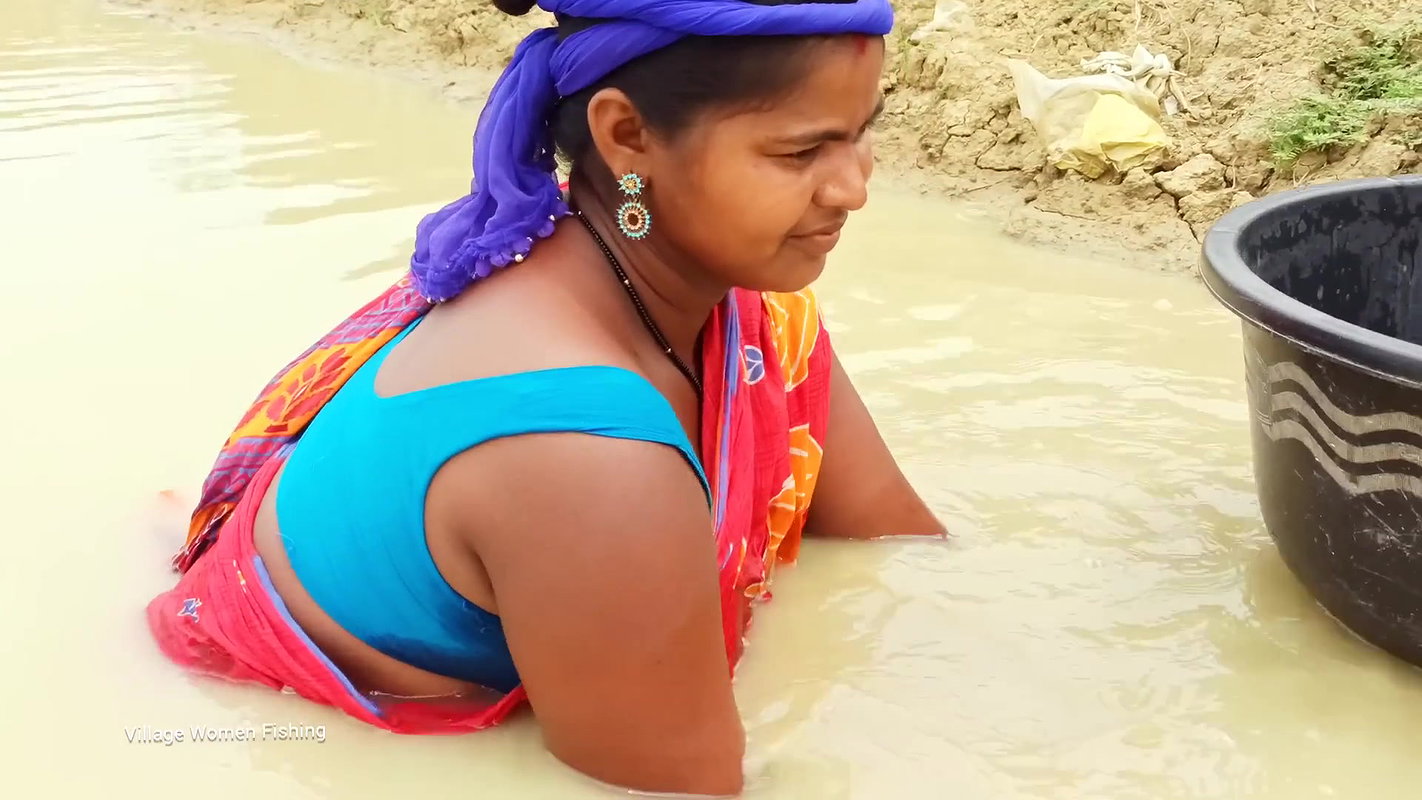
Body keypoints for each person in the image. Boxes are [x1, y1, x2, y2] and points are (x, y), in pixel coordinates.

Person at [146, 0, 946, 795]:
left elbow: (896, 554)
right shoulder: (586, 456)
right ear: (627, 137)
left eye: (861, 133)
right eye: (801, 151)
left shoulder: (748, 316)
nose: (853, 189)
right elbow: (675, 785)